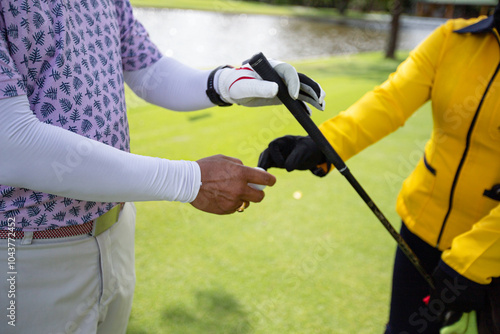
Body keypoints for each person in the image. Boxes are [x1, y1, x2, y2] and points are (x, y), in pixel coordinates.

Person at [0, 1, 326, 333]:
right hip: (27, 254)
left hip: (115, 233)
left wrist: (225, 83)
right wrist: (189, 181)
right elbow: (11, 142)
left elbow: (148, 70)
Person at [258, 3, 500, 333]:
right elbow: (391, 99)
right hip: (422, 227)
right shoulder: (453, 39)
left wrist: (476, 259)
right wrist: (326, 143)